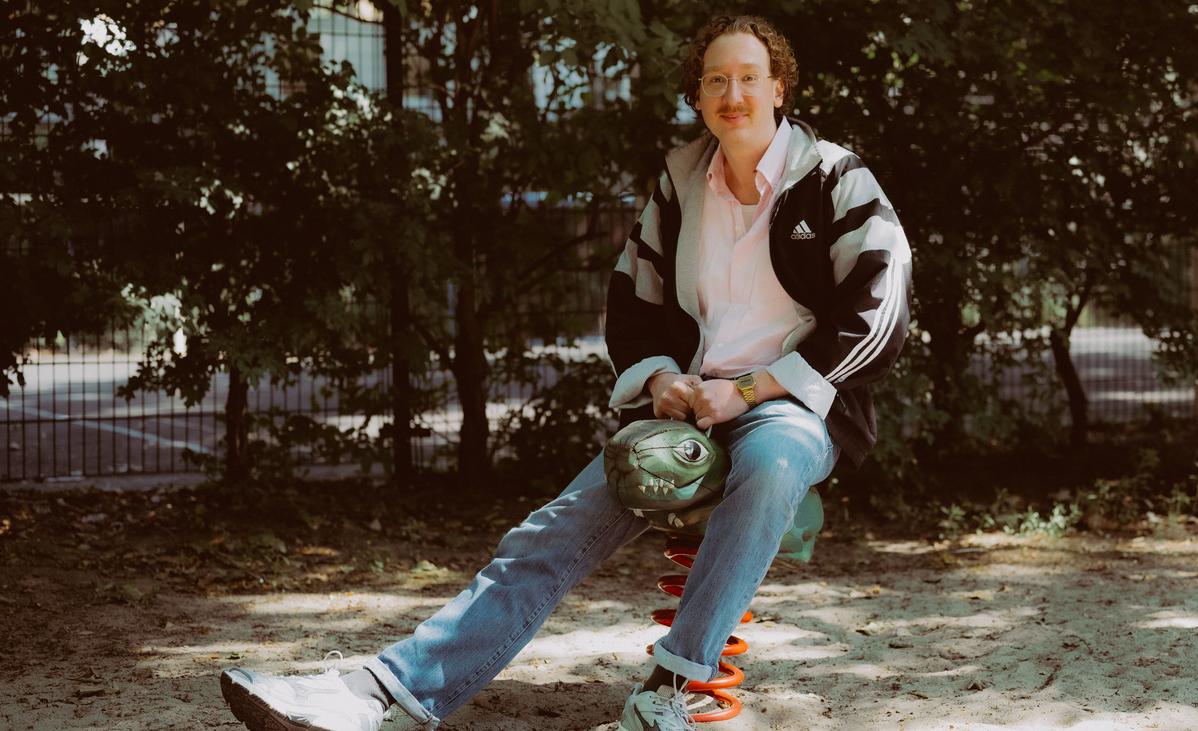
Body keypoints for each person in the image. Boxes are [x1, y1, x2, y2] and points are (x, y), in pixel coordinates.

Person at [219, 14, 910, 731]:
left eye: (748, 78)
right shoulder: (680, 185)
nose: (732, 94)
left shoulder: (834, 177)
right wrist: (659, 381)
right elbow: (632, 302)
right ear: (698, 95)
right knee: (551, 531)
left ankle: (673, 689)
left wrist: (748, 390)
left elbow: (882, 309)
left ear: (779, 87)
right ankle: (383, 693)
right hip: (689, 412)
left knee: (772, 459)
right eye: (715, 80)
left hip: (788, 405)